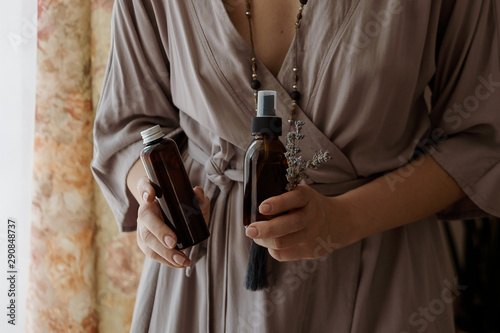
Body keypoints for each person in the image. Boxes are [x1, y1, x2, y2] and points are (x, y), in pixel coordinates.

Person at [91, 0, 500, 332]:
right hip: (203, 282)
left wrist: (344, 220)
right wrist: (154, 196)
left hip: (378, 273)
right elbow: (132, 125)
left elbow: (481, 141)